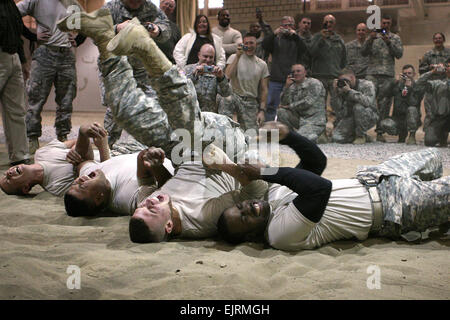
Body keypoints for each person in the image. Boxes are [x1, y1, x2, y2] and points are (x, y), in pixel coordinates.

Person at [57, 11, 266, 226]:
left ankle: (102, 36)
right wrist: (226, 165)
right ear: (167, 227)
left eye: (76, 182)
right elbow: (256, 191)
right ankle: (144, 45)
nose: (146, 206)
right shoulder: (201, 218)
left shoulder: (140, 198)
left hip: (181, 152)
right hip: (224, 144)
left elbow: (161, 186)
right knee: (186, 122)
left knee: (126, 113)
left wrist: (152, 165)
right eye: (81, 186)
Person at [216, 122, 449, 251]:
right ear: (251, 237)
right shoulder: (279, 234)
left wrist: (289, 136)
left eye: (241, 207)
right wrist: (266, 172)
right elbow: (319, 189)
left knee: (434, 156)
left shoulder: (275, 195)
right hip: (396, 207)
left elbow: (316, 162)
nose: (247, 208)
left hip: (379, 175)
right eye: (244, 218)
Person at [16, 0, 87, 154]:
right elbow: (12, 14)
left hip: (67, 55)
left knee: (66, 101)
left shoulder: (73, 3)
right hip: (44, 53)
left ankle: (63, 137)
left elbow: (88, 23)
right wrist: (32, 35)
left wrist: (78, 40)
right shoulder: (36, 1)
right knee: (35, 100)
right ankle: (32, 138)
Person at [101, 0, 173, 147]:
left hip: (142, 70)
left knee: (152, 107)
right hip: (117, 69)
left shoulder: (151, 8)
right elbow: (97, 31)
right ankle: (105, 149)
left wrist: (157, 29)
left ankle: (151, 150)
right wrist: (117, 28)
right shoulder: (111, 7)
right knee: (117, 111)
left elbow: (166, 28)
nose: (136, 3)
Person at [0, 123, 107, 197]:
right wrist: (102, 147)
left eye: (5, 174)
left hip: (116, 150)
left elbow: (74, 142)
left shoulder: (41, 153)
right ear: (26, 188)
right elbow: (99, 177)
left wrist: (74, 149)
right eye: (8, 180)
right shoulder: (56, 187)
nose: (9, 173)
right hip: (110, 160)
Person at [0, 0, 36, 167]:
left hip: (13, 56)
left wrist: (22, 61)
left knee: (17, 109)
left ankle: (19, 155)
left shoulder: (10, 4)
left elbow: (17, 30)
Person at [361, 15, 403, 142]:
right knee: (367, 101)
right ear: (380, 24)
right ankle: (361, 131)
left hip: (387, 75)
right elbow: (363, 52)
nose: (385, 25)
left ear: (391, 24)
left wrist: (389, 42)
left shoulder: (395, 38)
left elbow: (399, 54)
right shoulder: (373, 36)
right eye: (383, 23)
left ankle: (380, 131)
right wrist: (370, 39)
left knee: (384, 104)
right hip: (372, 74)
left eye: (388, 23)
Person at [309, 14, 347, 143]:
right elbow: (311, 53)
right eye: (326, 22)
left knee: (338, 105)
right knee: (320, 107)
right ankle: (321, 133)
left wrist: (337, 71)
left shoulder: (339, 40)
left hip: (334, 77)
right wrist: (321, 39)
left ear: (334, 24)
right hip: (319, 76)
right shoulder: (317, 37)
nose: (329, 24)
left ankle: (338, 131)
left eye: (331, 22)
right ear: (323, 23)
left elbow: (344, 60)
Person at [262, 16, 307, 121]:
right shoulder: (276, 38)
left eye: (290, 25)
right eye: (285, 25)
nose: (287, 28)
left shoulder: (297, 39)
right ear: (281, 26)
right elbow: (264, 45)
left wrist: (296, 36)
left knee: (291, 107)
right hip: (276, 79)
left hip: (292, 80)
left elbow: (304, 49)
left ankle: (287, 133)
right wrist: (274, 33)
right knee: (271, 107)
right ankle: (270, 133)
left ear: (294, 26)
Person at [222, 33, 270, 131]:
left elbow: (264, 89)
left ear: (256, 44)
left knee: (251, 134)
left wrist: (261, 111)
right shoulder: (233, 57)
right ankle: (225, 127)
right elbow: (227, 76)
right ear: (243, 45)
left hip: (250, 101)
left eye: (251, 43)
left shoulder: (262, 64)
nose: (249, 46)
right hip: (235, 96)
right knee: (224, 98)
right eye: (246, 43)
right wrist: (237, 57)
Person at [277, 64, 326, 143]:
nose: (296, 73)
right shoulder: (292, 86)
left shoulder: (314, 83)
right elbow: (283, 103)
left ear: (305, 73)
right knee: (281, 112)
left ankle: (318, 136)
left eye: (298, 71)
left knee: (301, 139)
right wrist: (286, 86)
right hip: (300, 119)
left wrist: (290, 106)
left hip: (313, 120)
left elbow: (308, 102)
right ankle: (290, 135)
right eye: (293, 72)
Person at [330, 68, 378, 144]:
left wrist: (350, 91)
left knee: (358, 107)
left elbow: (367, 102)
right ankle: (360, 135)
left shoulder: (367, 85)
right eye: (341, 80)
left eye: (346, 80)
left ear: (352, 78)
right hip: (350, 117)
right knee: (336, 138)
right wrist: (335, 93)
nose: (344, 82)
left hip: (368, 116)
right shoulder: (341, 88)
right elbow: (337, 109)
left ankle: (360, 136)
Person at [378, 65, 421, 145]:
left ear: (414, 74)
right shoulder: (398, 85)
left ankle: (412, 135)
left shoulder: (417, 87)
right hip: (398, 118)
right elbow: (383, 94)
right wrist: (393, 82)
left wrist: (409, 88)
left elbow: (414, 103)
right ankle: (401, 134)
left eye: (409, 73)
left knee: (412, 109)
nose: (407, 75)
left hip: (411, 119)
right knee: (384, 124)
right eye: (405, 73)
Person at [418, 32, 450, 137]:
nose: (438, 40)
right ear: (433, 40)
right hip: (431, 86)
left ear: (444, 39)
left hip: (447, 86)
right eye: (435, 38)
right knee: (430, 112)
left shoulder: (449, 53)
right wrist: (431, 68)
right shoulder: (428, 54)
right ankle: (430, 134)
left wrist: (446, 68)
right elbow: (421, 70)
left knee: (446, 111)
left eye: (440, 38)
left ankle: (443, 135)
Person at [184, 44, 232, 113]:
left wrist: (221, 78)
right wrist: (194, 74)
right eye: (205, 56)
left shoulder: (216, 72)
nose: (208, 60)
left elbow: (226, 93)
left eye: (211, 57)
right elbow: (181, 88)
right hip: (190, 114)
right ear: (199, 55)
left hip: (208, 116)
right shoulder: (188, 69)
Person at [414, 60, 450, 147]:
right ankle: (443, 136)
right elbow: (418, 83)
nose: (449, 68)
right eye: (448, 66)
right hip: (440, 118)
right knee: (429, 141)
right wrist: (431, 72)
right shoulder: (438, 84)